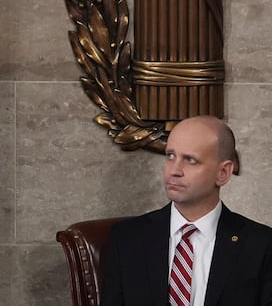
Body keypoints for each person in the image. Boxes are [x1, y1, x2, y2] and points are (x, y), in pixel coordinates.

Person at [102, 115, 272, 306]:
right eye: (170, 156)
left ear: (223, 173)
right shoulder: (126, 239)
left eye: (190, 160)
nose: (174, 170)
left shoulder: (262, 246)